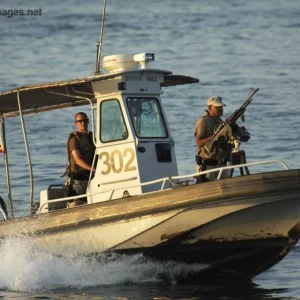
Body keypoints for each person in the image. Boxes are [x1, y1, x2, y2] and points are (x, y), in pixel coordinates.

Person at [194, 96, 232, 182]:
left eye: (221, 107)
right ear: (210, 107)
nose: (221, 109)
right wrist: (214, 137)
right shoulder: (203, 121)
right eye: (218, 107)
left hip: (222, 164)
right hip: (208, 166)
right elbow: (199, 142)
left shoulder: (221, 122)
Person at [65, 112, 96, 207]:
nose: (83, 123)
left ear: (88, 121)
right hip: (78, 178)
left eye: (85, 120)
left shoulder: (93, 137)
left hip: (92, 177)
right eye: (80, 121)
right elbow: (78, 159)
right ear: (76, 123)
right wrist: (93, 169)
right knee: (75, 205)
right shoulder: (74, 140)